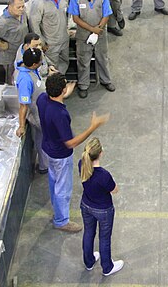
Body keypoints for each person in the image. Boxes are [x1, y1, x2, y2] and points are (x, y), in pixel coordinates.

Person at [36, 72, 108, 233]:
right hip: (60, 155)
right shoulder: (60, 114)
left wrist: (63, 92)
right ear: (62, 90)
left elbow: (53, 97)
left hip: (47, 148)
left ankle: (58, 211)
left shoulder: (42, 99)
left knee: (54, 181)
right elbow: (70, 143)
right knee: (63, 188)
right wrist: (93, 127)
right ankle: (61, 221)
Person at [79, 137, 124, 277]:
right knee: (104, 238)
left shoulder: (81, 164)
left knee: (88, 232)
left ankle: (89, 261)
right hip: (103, 210)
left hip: (86, 205)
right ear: (101, 153)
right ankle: (107, 267)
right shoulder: (104, 175)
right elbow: (114, 190)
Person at [68, 0, 115, 99]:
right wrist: (91, 29)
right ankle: (83, 85)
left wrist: (98, 28)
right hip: (83, 34)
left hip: (100, 32)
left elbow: (106, 14)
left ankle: (106, 81)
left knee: (102, 57)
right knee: (83, 60)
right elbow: (75, 18)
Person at [15, 48, 50, 174]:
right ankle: (46, 165)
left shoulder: (30, 67)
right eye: (40, 61)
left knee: (41, 137)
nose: (42, 62)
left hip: (43, 109)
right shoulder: (25, 80)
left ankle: (44, 164)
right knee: (46, 138)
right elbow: (23, 105)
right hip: (37, 114)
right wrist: (21, 126)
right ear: (34, 64)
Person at [28, 0, 71, 73]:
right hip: (50, 44)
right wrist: (41, 42)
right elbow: (34, 24)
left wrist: (68, 29)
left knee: (64, 64)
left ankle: (61, 82)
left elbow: (67, 15)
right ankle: (54, 86)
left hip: (64, 40)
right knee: (52, 68)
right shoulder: (39, 3)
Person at [0, 0, 28, 84]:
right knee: (11, 80)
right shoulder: (4, 21)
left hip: (21, 53)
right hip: (10, 57)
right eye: (18, 7)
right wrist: (2, 45)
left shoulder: (22, 14)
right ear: (10, 7)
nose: (21, 9)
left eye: (22, 6)